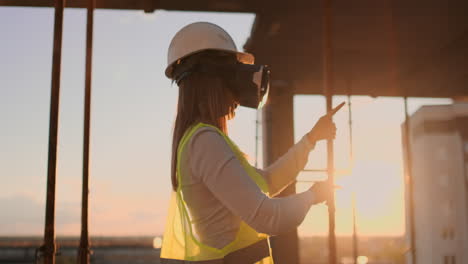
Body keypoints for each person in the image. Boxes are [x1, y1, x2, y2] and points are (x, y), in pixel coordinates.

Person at [160, 22, 342, 264]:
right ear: (213, 80)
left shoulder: (202, 140)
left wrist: (311, 139)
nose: (239, 87)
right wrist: (313, 195)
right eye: (232, 74)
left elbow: (267, 181)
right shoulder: (204, 142)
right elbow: (267, 217)